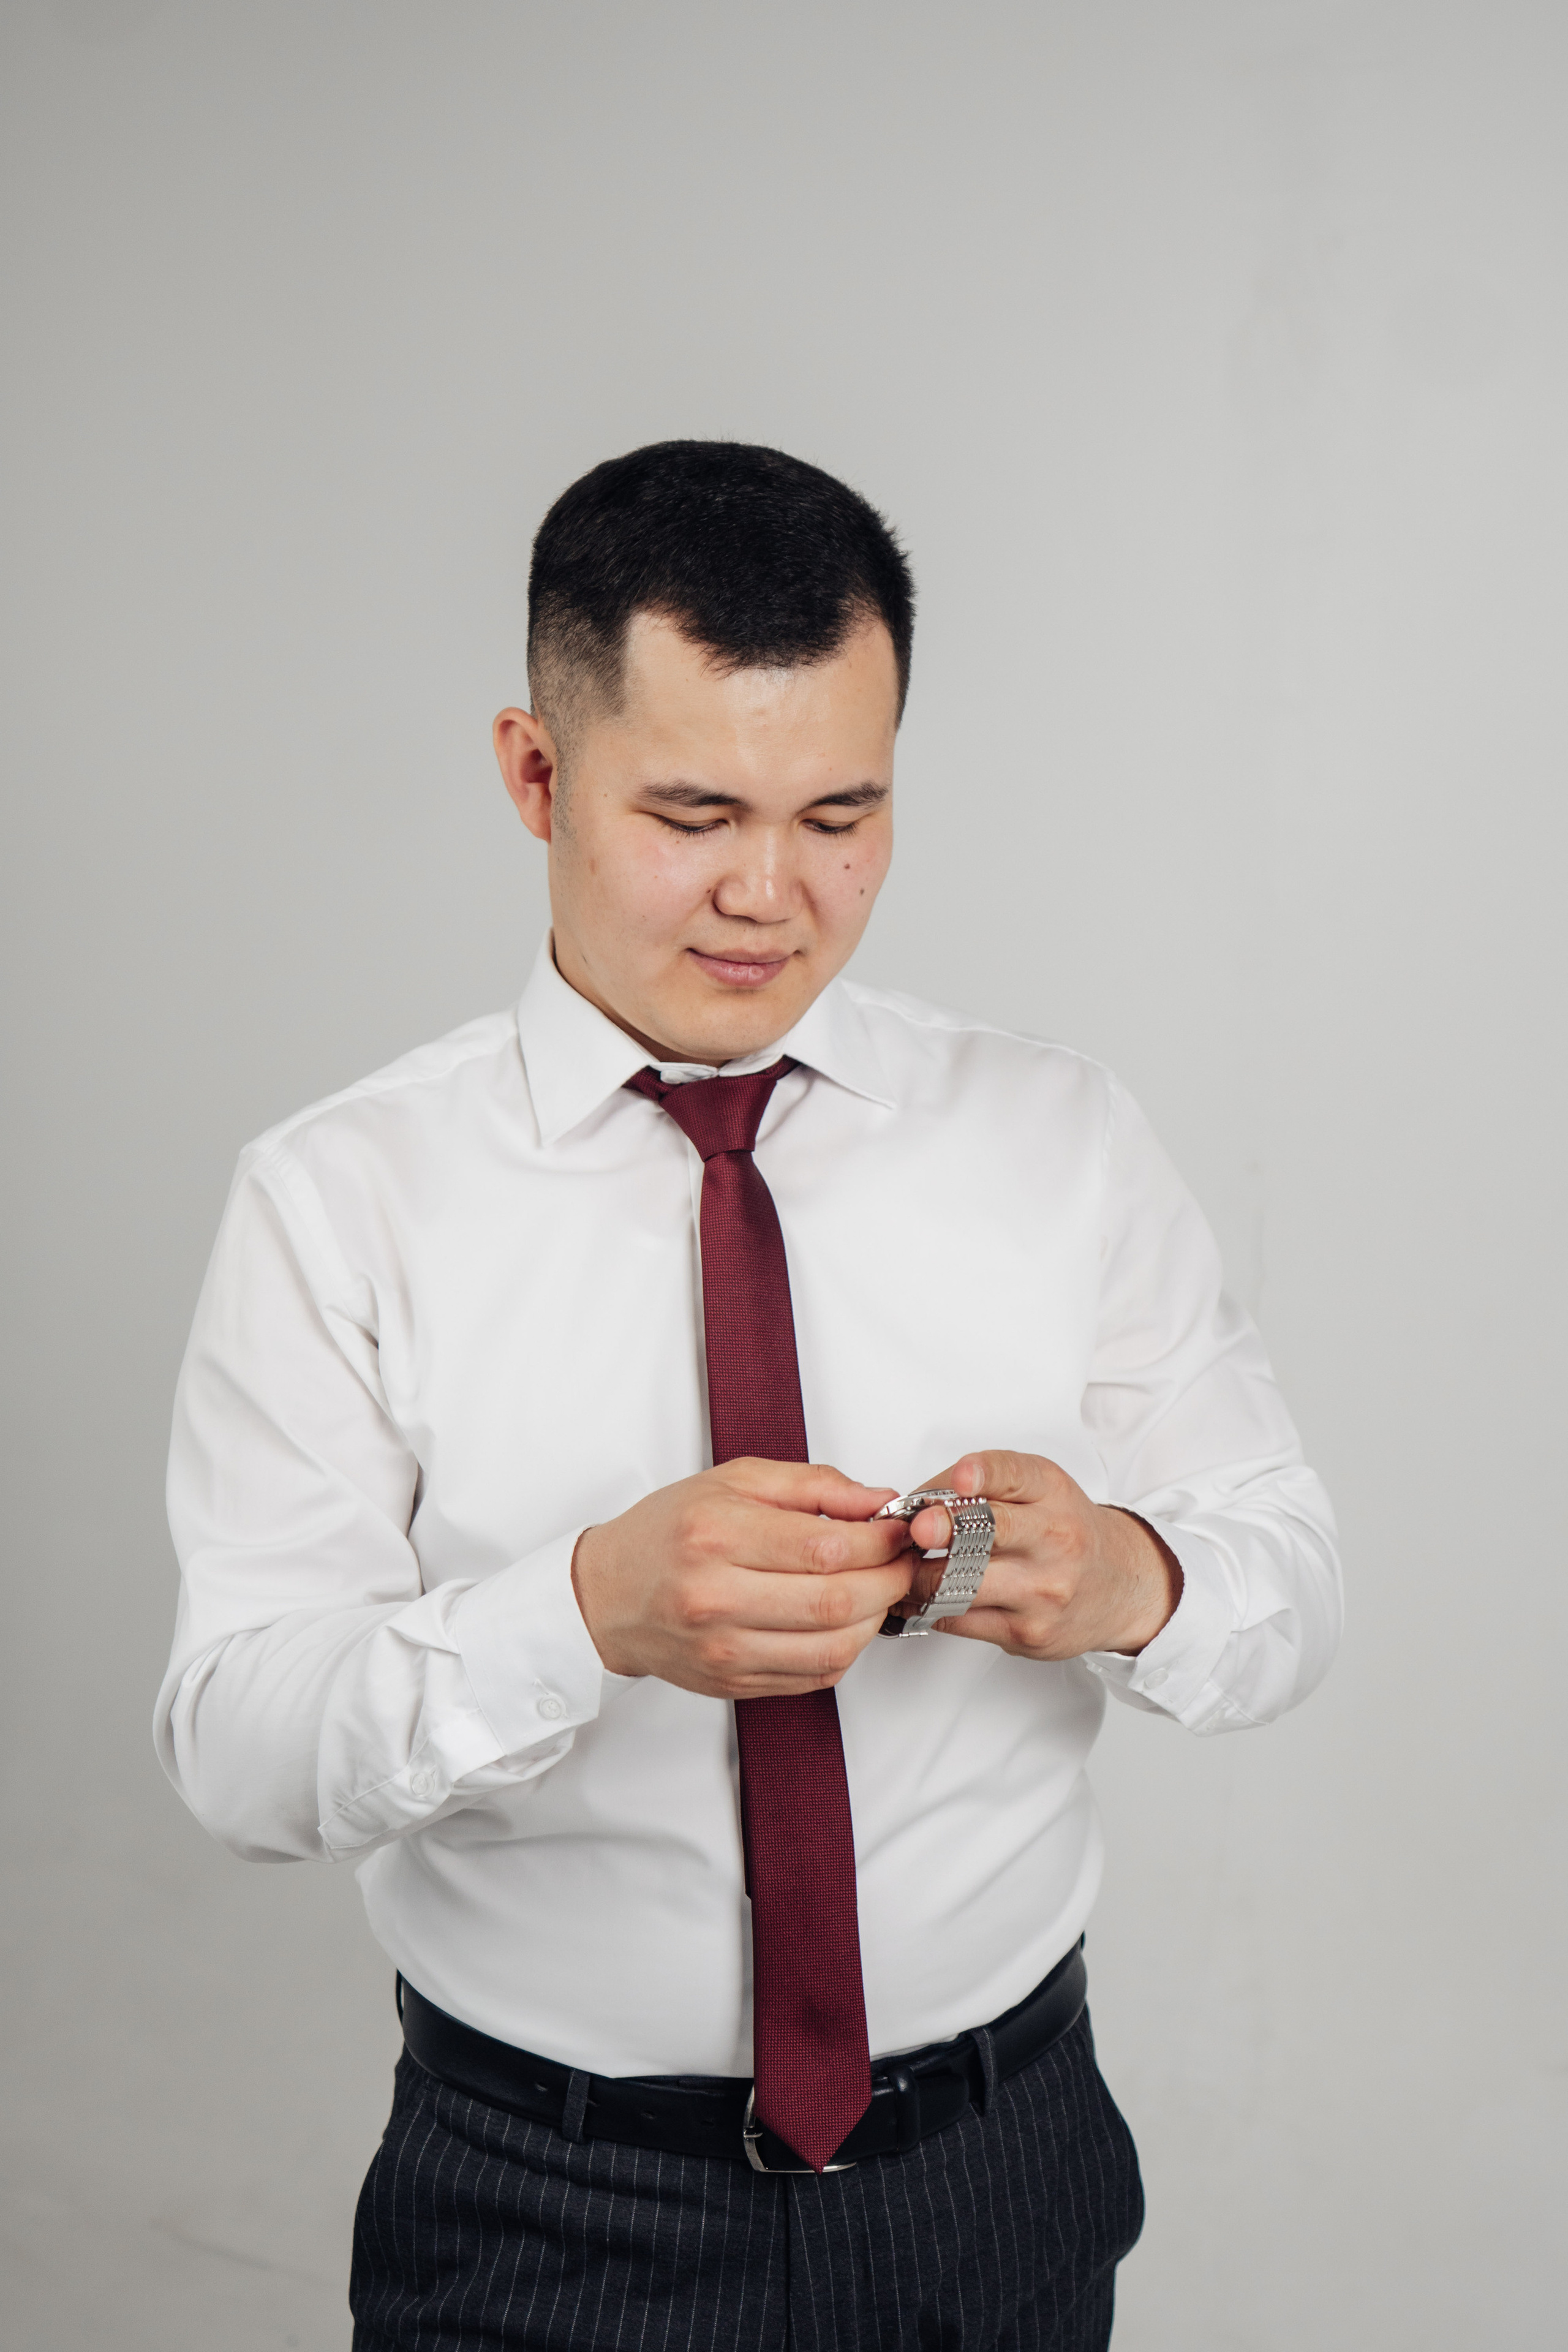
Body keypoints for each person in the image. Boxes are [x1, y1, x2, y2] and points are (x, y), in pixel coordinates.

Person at [156, 440, 1341, 2351]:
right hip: (545, 2203)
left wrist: (1129, 1576)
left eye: (841, 813)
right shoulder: (338, 1197)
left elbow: (1290, 1571)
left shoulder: (1059, 1135)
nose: (769, 898)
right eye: (695, 811)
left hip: (1001, 2163)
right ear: (535, 775)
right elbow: (234, 1748)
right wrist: (580, 1616)